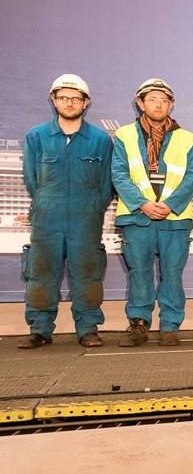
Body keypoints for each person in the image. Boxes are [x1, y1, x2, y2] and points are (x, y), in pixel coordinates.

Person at [19, 74, 113, 348]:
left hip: (86, 219)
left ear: (86, 103)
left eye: (75, 98)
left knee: (88, 275)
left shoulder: (100, 139)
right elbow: (32, 179)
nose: (69, 102)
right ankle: (40, 329)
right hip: (47, 218)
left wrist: (92, 209)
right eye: (63, 97)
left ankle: (88, 328)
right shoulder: (36, 137)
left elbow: (106, 184)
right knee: (41, 274)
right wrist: (46, 203)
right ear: (53, 100)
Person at [111, 78, 193, 347]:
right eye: (152, 99)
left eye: (163, 100)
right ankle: (138, 324)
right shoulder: (124, 135)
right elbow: (119, 174)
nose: (158, 105)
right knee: (139, 272)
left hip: (175, 219)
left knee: (172, 272)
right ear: (140, 103)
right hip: (138, 217)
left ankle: (170, 326)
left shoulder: (186, 138)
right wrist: (143, 203)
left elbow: (191, 176)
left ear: (171, 104)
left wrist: (170, 205)